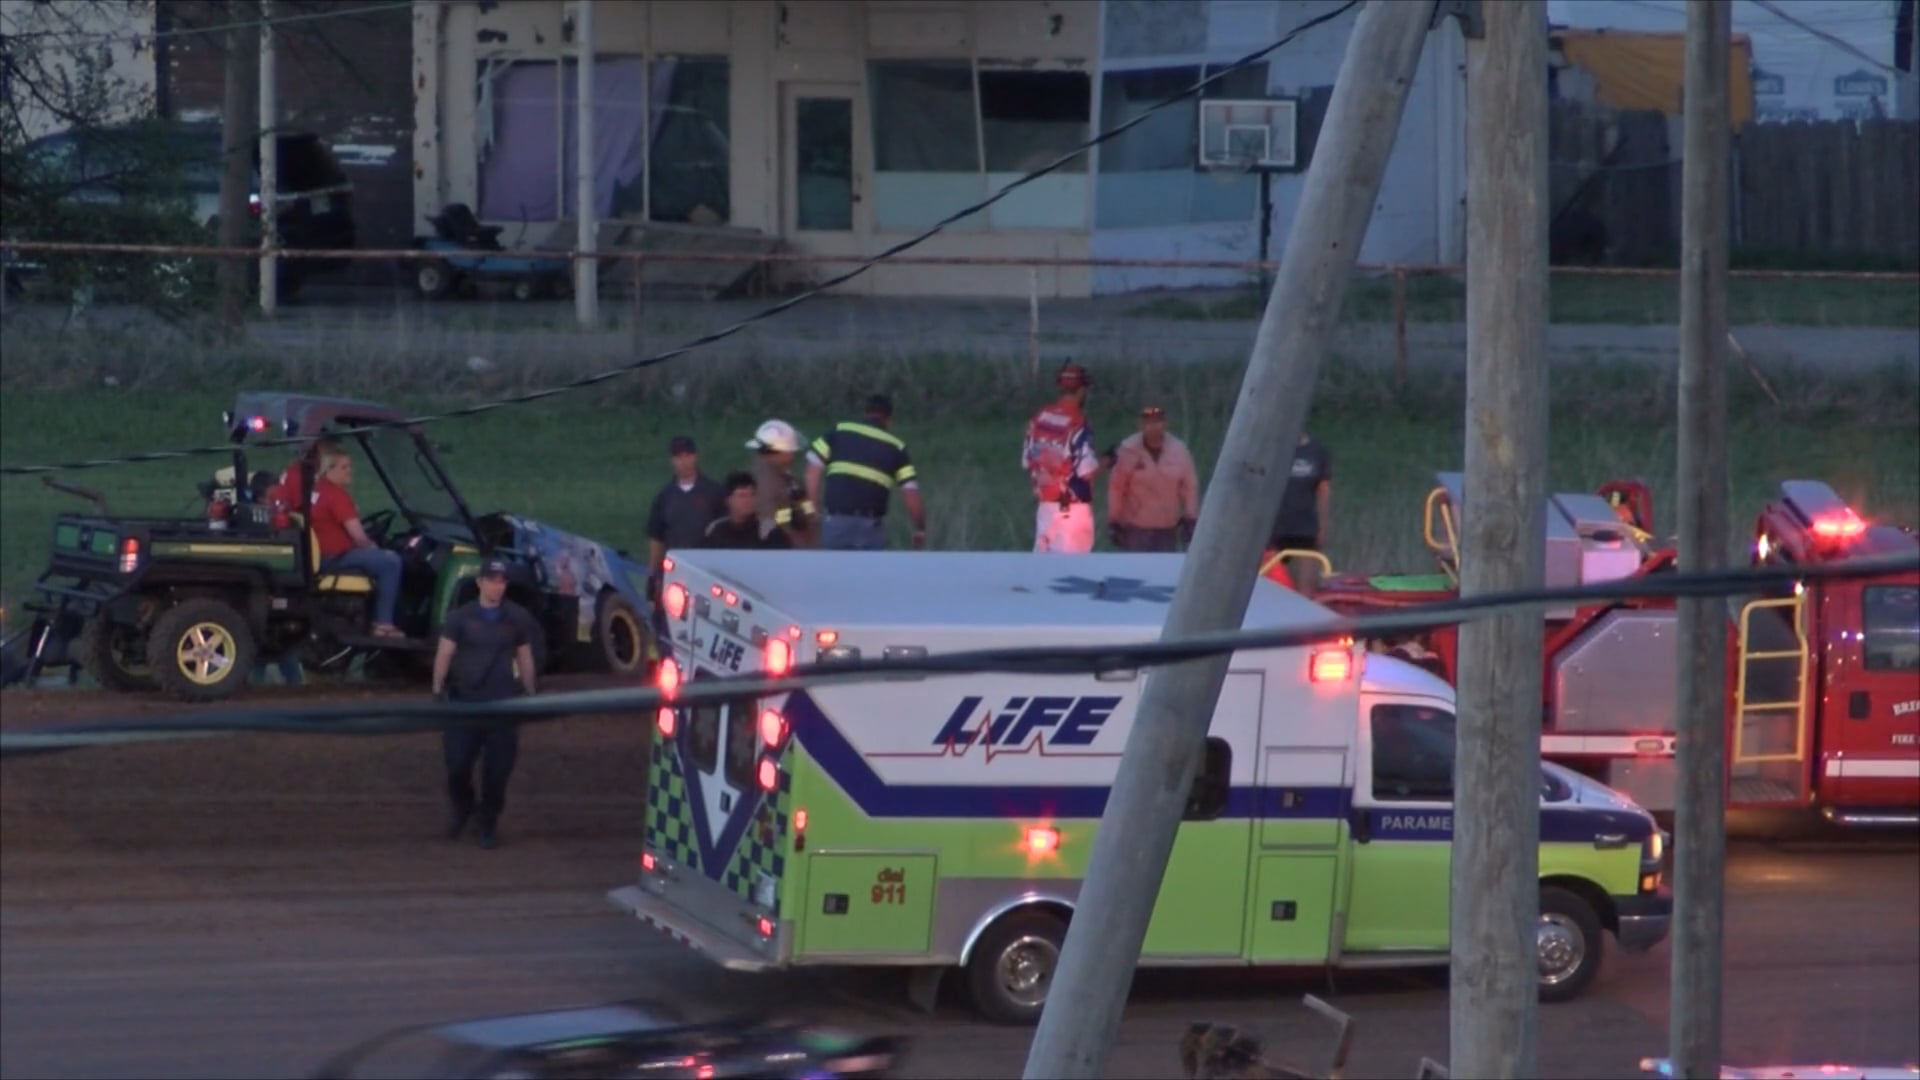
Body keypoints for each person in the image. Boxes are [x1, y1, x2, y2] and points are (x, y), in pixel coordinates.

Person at [431, 558, 540, 849]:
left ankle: (488, 821)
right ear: (480, 582)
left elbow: (525, 656)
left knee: (497, 772)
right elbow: (444, 653)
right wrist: (438, 689)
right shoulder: (460, 618)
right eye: (492, 580)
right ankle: (464, 807)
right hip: (465, 702)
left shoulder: (517, 617)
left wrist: (530, 693)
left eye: (502, 581)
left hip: (503, 705)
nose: (497, 586)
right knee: (457, 766)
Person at [805, 393, 927, 551]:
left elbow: (812, 471)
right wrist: (919, 529)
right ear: (889, 420)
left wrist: (812, 510)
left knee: (833, 566)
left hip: (836, 523)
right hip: (871, 528)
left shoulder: (839, 430)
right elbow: (911, 494)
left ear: (865, 413)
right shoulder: (897, 447)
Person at [308, 443, 405, 637]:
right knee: (391, 562)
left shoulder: (316, 492)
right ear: (329, 470)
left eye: (349, 466)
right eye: (344, 467)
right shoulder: (337, 496)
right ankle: (383, 624)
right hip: (335, 558)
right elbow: (359, 538)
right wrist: (375, 547)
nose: (349, 471)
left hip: (322, 557)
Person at [1023, 361, 1101, 554]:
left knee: (1042, 568)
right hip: (1072, 510)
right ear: (1081, 390)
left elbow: (1027, 460)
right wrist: (1107, 460)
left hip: (1045, 508)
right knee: (1073, 568)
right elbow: (1086, 470)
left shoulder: (1040, 418)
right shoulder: (1078, 423)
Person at [1106, 405, 1199, 553]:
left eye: (1158, 422)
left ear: (1165, 424)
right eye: (1148, 422)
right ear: (1140, 425)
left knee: (1164, 566)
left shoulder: (1179, 450)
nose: (1153, 426)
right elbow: (1116, 488)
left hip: (1167, 528)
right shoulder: (1128, 450)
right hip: (1135, 529)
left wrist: (1191, 517)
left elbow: (1189, 487)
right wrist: (1114, 521)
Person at [644, 434, 726, 579]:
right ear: (672, 461)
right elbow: (657, 539)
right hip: (675, 570)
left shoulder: (714, 492)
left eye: (688, 456)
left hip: (707, 569)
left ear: (695, 457)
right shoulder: (665, 497)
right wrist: (652, 575)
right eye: (679, 457)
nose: (684, 462)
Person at [1268, 431, 1333, 591]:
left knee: (1307, 587)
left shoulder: (1317, 451)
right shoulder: (1272, 449)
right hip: (1274, 529)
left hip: (1305, 528)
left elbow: (1323, 491)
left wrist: (1323, 527)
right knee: (1273, 586)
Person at [746, 419, 819, 548]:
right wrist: (792, 514)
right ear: (778, 451)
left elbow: (808, 511)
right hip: (782, 549)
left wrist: (806, 512)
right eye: (790, 451)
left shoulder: (786, 477)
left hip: (800, 545)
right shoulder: (764, 480)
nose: (793, 456)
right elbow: (767, 519)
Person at [703, 471, 794, 550]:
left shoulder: (768, 531)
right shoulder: (716, 529)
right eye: (742, 496)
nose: (748, 500)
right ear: (728, 500)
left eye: (752, 495)